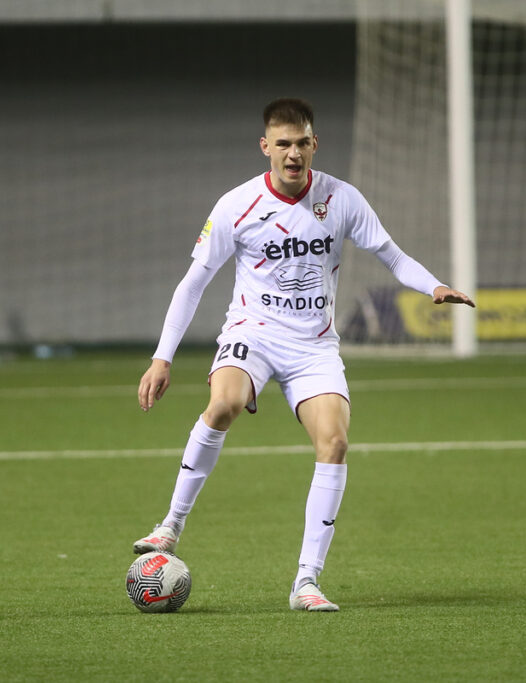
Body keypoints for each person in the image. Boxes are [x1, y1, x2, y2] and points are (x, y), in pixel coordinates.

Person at [134, 97, 474, 611]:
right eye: (283, 144)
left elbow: (392, 256)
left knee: (334, 442)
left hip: (314, 345)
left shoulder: (342, 199)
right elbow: (193, 283)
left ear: (315, 144)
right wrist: (163, 357)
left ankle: (306, 583)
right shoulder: (236, 205)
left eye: (302, 143)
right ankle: (169, 527)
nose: (293, 154)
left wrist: (434, 286)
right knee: (223, 403)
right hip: (255, 331)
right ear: (266, 146)